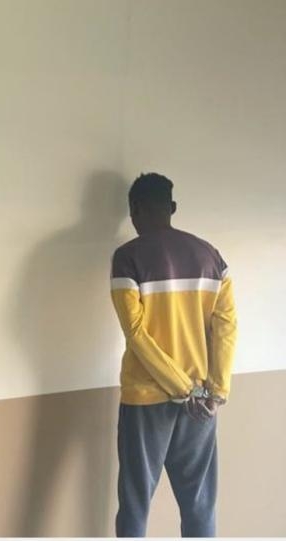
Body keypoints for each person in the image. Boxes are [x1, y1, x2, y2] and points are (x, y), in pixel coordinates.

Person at [110, 173, 237, 537]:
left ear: (134, 210)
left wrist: (182, 387)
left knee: (135, 504)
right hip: (202, 402)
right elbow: (226, 328)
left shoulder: (127, 257)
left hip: (145, 399)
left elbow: (136, 333)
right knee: (199, 505)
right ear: (173, 207)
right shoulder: (211, 256)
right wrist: (216, 390)